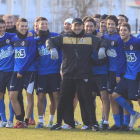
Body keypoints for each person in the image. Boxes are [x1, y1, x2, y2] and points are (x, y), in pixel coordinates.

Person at [46, 18, 107, 131]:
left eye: (79, 26)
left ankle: (93, 124)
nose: (77, 28)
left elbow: (102, 41)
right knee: (63, 99)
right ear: (72, 27)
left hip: (84, 74)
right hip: (68, 74)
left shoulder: (89, 38)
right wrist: (52, 49)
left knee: (87, 99)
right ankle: (59, 123)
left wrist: (102, 48)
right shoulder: (64, 37)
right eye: (75, 26)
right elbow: (49, 41)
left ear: (82, 26)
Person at [112, 22, 140, 130]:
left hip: (135, 77)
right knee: (115, 95)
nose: (122, 32)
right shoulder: (122, 43)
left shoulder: (137, 41)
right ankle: (134, 113)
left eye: (124, 30)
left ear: (129, 32)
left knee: (138, 100)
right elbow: (121, 60)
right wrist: (118, 74)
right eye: (120, 30)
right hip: (127, 76)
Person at [100, 15, 126, 130]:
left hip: (119, 73)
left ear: (116, 25)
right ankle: (117, 124)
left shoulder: (119, 38)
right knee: (111, 98)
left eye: (112, 24)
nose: (110, 26)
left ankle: (126, 123)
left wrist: (118, 74)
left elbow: (121, 57)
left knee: (123, 97)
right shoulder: (103, 37)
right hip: (109, 72)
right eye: (108, 24)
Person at [34, 17, 61, 128]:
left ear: (48, 25)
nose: (44, 25)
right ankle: (41, 121)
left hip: (54, 72)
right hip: (41, 72)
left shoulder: (55, 36)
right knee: (40, 96)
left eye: (46, 23)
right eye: (42, 24)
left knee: (55, 96)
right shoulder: (36, 40)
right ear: (38, 26)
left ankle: (52, 120)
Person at [84, 17, 110, 130]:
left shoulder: (101, 38)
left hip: (101, 72)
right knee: (90, 97)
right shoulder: (82, 38)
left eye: (91, 26)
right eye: (87, 26)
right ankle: (92, 121)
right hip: (89, 73)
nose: (89, 28)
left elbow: (106, 54)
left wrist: (96, 61)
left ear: (95, 27)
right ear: (84, 27)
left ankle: (105, 121)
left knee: (104, 96)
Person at [10, 18, 36, 128]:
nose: (24, 28)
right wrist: (18, 70)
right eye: (22, 26)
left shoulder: (31, 39)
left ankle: (26, 121)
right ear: (17, 26)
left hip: (29, 71)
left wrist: (21, 70)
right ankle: (19, 119)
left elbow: (31, 56)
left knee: (29, 97)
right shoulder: (13, 39)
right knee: (12, 96)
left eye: (26, 26)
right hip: (16, 71)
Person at [60, 18, 82, 128]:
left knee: (77, 97)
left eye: (69, 24)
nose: (67, 26)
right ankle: (67, 120)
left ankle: (70, 119)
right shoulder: (61, 37)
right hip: (64, 72)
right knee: (64, 97)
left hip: (78, 73)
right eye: (65, 24)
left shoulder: (82, 37)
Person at [0, 19, 16, 128]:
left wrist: (31, 33)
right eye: (0, 27)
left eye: (3, 27)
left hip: (11, 72)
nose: (2, 29)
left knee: (12, 96)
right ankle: (3, 120)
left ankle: (10, 120)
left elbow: (25, 36)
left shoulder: (12, 36)